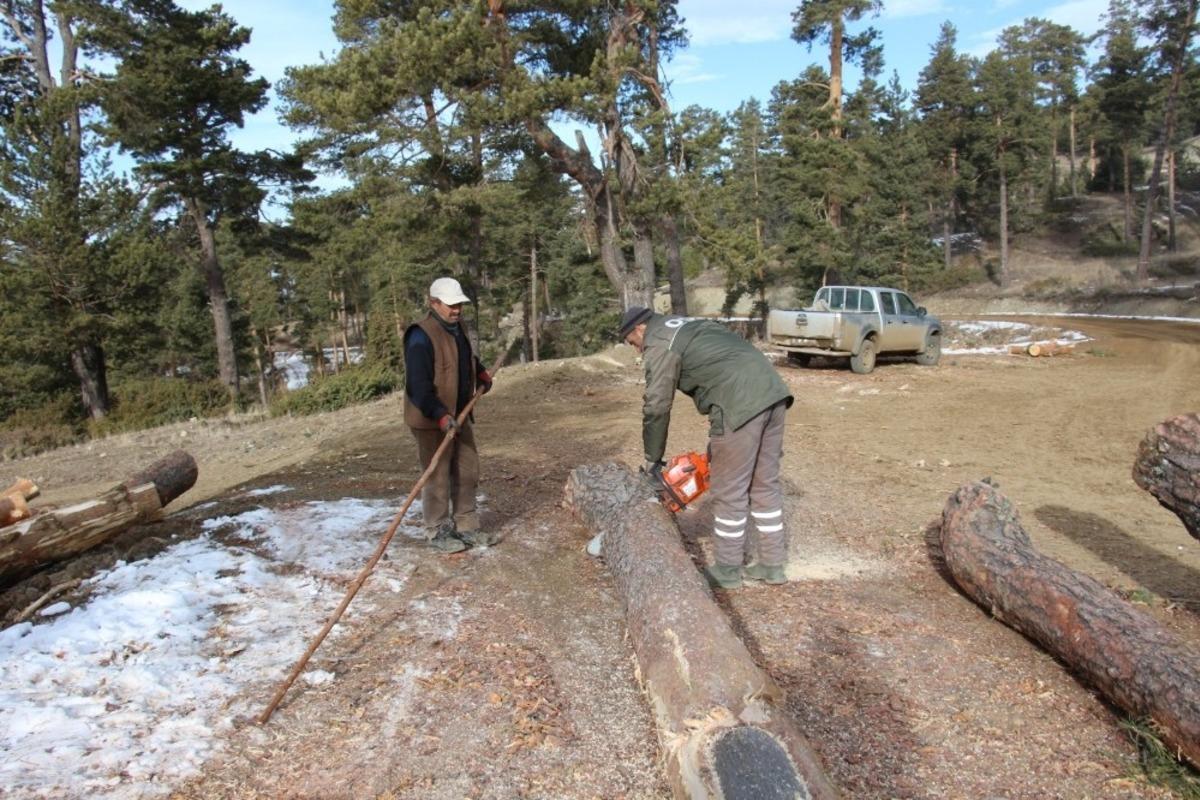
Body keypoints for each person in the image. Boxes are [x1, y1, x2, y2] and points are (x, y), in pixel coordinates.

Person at [617, 306, 793, 589]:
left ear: (639, 329)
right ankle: (772, 565)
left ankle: (727, 568)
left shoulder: (660, 342)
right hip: (772, 392)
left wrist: (653, 459)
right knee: (764, 485)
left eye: (632, 343)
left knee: (728, 489)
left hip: (738, 402)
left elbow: (657, 405)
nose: (637, 350)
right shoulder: (684, 324)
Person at [404, 277, 494, 552]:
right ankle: (438, 530)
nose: (457, 310)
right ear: (434, 303)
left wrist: (480, 373)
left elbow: (466, 358)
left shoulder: (458, 328)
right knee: (438, 475)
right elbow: (417, 387)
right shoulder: (420, 335)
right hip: (431, 418)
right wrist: (440, 415)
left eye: (459, 305)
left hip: (460, 413)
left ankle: (466, 525)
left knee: (467, 469)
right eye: (451, 305)